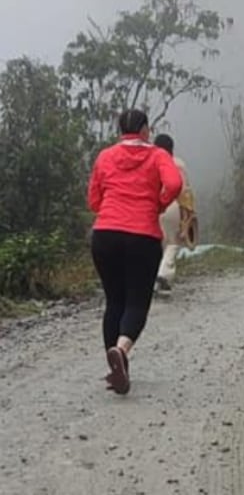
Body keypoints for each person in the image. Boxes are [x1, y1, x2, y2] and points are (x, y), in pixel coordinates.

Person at [88, 109, 183, 394]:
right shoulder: (157, 155)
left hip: (105, 235)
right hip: (141, 235)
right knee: (136, 303)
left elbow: (93, 199)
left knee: (114, 301)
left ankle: (116, 366)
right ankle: (122, 349)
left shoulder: (105, 156)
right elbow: (175, 184)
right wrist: (159, 203)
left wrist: (108, 208)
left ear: (120, 130)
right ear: (144, 130)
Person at [151, 134, 194, 293]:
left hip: (152, 207)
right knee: (173, 242)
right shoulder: (178, 164)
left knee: (158, 243)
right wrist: (188, 213)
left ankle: (153, 276)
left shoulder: (150, 162)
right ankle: (164, 275)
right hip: (172, 205)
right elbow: (185, 191)